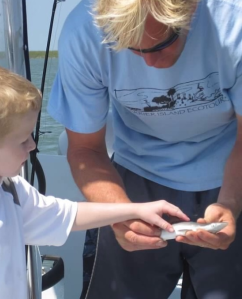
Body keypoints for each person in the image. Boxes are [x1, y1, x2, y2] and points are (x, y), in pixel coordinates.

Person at [0, 61, 189, 299]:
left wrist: (136, 209)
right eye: (23, 140)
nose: (32, 146)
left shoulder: (11, 189)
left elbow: (67, 215)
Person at [48, 0, 242, 298]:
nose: (149, 64)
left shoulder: (234, 22)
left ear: (191, 9)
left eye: (160, 44)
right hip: (135, 172)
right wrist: (121, 213)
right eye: (132, 49)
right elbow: (85, 149)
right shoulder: (84, 32)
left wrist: (230, 203)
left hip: (230, 171)